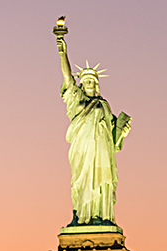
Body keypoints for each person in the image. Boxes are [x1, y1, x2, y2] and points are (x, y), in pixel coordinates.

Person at [56, 31, 131, 226]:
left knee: (102, 183)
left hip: (103, 152)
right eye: (85, 81)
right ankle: (82, 216)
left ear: (96, 84)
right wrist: (62, 52)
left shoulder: (104, 105)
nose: (89, 84)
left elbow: (114, 138)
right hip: (83, 150)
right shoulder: (77, 100)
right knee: (82, 181)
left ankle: (102, 216)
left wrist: (122, 131)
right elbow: (67, 77)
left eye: (92, 81)